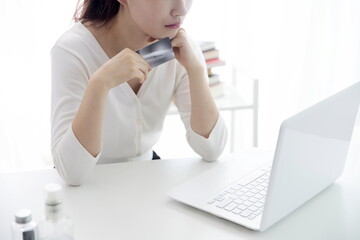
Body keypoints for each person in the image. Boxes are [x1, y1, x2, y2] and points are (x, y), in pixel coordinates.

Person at [51, 0, 228, 186]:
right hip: (89, 187)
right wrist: (100, 84)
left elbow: (212, 149)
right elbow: (72, 172)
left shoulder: (183, 50)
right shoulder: (73, 50)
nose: (181, 10)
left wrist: (197, 71)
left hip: (148, 183)